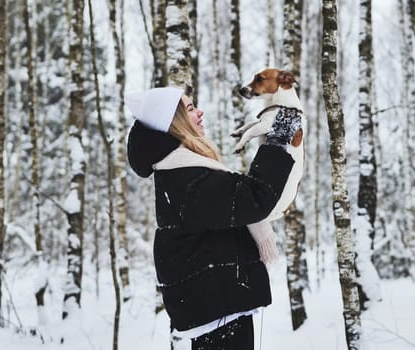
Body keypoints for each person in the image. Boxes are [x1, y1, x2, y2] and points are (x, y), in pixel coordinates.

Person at [125, 87, 301, 349]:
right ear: (175, 122)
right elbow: (254, 199)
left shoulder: (181, 172)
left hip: (217, 308)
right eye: (190, 108)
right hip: (218, 312)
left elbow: (243, 202)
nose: (200, 112)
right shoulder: (188, 179)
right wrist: (277, 141)